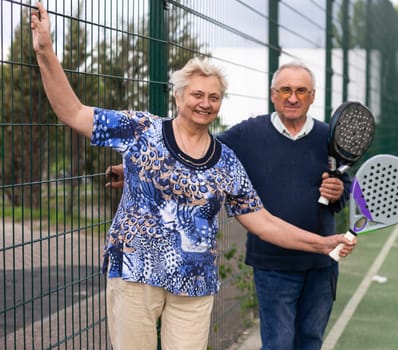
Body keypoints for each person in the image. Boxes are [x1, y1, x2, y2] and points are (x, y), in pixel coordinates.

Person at [30, 3, 355, 350]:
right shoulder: (142, 130)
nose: (205, 103)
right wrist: (46, 51)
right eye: (197, 95)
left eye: (214, 97)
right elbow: (73, 112)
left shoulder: (225, 161)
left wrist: (322, 243)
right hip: (135, 275)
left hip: (194, 286)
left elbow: (263, 221)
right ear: (178, 95)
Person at [107, 61, 355, 349]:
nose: (293, 97)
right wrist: (141, 169)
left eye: (301, 91)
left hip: (320, 262)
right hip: (272, 262)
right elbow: (195, 158)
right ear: (273, 94)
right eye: (285, 90)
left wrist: (339, 191)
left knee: (311, 341)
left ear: (312, 96)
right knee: (279, 343)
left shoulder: (328, 137)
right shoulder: (247, 133)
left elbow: (344, 183)